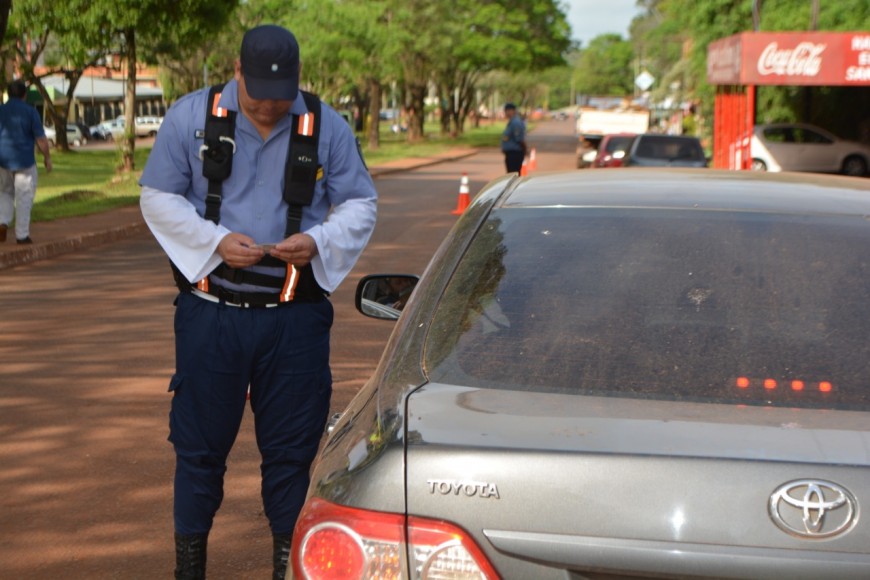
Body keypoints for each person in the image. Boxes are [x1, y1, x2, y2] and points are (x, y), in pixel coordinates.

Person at [139, 24, 377, 579]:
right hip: (210, 318)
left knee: (291, 457)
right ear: (237, 71)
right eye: (259, 96)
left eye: (281, 96)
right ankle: (189, 569)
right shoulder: (190, 117)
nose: (270, 108)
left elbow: (360, 203)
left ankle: (284, 568)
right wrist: (214, 242)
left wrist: (318, 241)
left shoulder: (325, 125)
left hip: (294, 321)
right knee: (198, 453)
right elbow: (157, 196)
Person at [0, 79, 52, 244]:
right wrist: (47, 157)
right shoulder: (30, 112)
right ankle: (21, 235)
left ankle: (2, 221)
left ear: (9, 94)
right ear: (24, 95)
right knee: (24, 196)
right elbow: (41, 139)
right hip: (25, 161)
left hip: (3, 160)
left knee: (5, 192)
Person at [501, 102, 527, 174]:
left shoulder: (515, 122)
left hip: (515, 154)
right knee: (511, 174)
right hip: (511, 154)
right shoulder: (511, 122)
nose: (506, 113)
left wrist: (525, 150)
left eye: (507, 111)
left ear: (512, 111)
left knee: (514, 175)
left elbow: (520, 139)